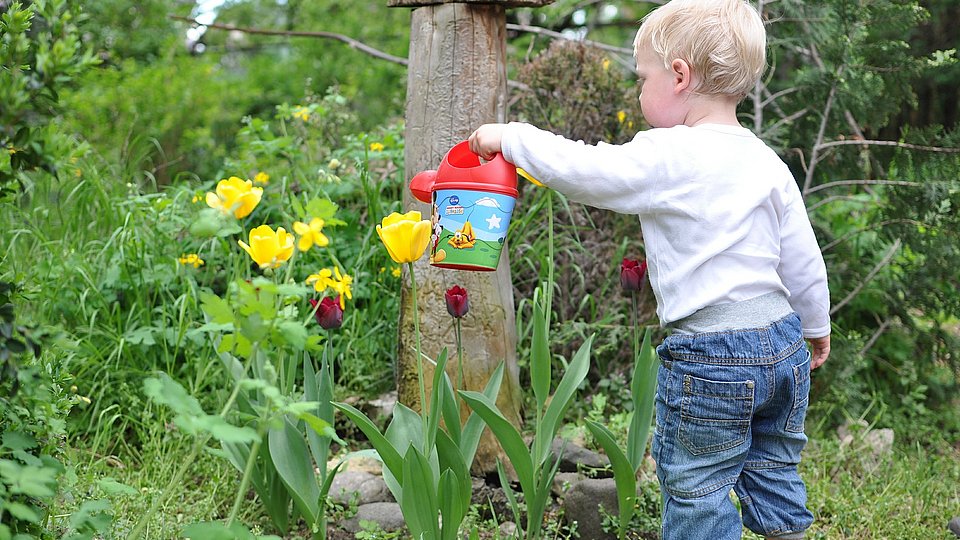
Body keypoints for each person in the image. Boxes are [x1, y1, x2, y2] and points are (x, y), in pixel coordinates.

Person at [468, 0, 831, 538]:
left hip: (712, 353)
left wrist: (511, 138)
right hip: (780, 343)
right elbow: (802, 256)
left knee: (698, 485)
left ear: (680, 76)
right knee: (774, 466)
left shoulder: (669, 153)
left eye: (643, 78)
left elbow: (587, 168)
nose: (639, 92)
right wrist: (815, 327)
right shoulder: (765, 160)